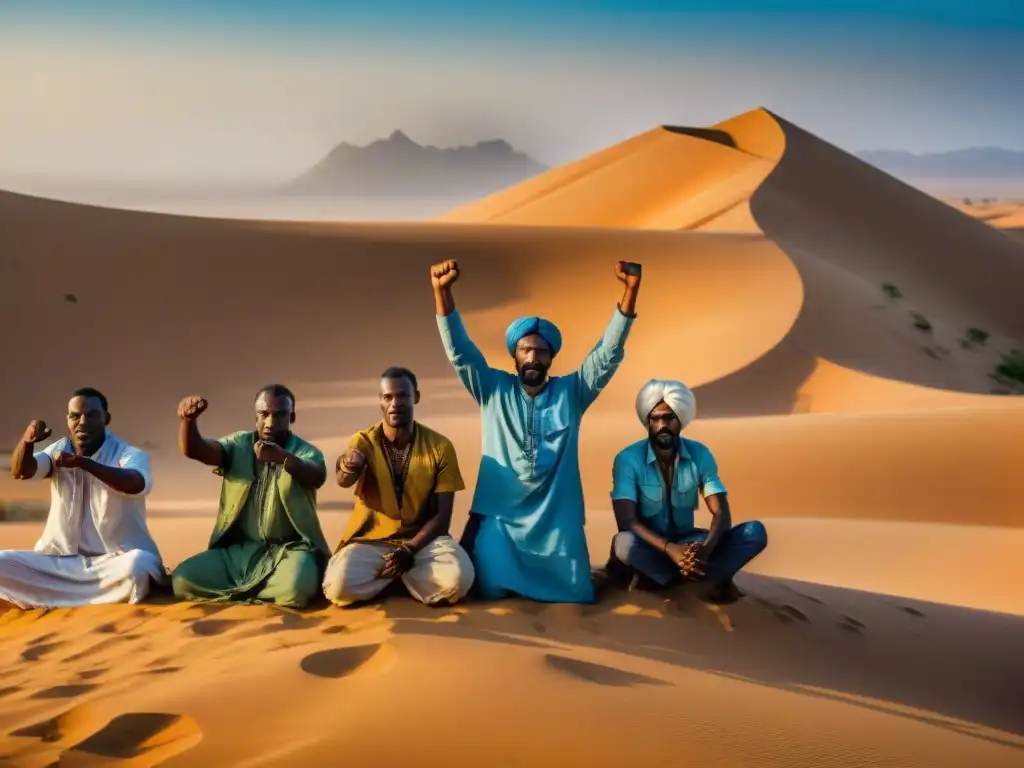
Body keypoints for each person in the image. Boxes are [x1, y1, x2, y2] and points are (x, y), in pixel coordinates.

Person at [432, 258, 641, 603]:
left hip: (555, 520)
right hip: (503, 519)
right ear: (514, 354)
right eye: (525, 349)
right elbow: (460, 353)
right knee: (490, 590)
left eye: (541, 351)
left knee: (577, 595)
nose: (533, 357)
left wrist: (629, 293)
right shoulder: (492, 389)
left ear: (550, 358)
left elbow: (608, 354)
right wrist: (442, 294)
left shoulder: (572, 393)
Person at [322, 367, 475, 607]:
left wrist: (409, 550)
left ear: (416, 397)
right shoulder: (364, 441)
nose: (395, 403)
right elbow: (344, 478)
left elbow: (443, 516)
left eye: (402, 396)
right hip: (371, 542)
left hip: (423, 543)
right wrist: (349, 465)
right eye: (388, 397)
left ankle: (390, 579)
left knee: (459, 579)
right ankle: (404, 580)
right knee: (338, 587)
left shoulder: (440, 446)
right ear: (380, 401)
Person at [1, 388, 165, 609]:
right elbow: (22, 471)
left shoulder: (129, 454)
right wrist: (28, 441)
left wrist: (83, 463)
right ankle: (82, 597)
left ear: (106, 419)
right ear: (67, 419)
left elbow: (134, 483)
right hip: (60, 562)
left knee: (138, 566)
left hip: (113, 562)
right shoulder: (58, 450)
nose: (83, 422)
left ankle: (54, 598)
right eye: (75, 415)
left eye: (92, 415)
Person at [607, 379, 768, 603]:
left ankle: (687, 580)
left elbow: (721, 513)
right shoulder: (628, 459)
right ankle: (689, 583)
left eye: (669, 417)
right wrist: (671, 550)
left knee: (754, 532)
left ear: (680, 419)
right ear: (648, 422)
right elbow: (628, 522)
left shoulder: (700, 454)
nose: (662, 425)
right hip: (653, 548)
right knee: (625, 543)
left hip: (689, 543)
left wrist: (704, 551)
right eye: (655, 419)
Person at [170, 385, 331, 609]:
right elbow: (197, 450)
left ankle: (243, 592)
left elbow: (315, 475)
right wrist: (188, 421)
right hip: (239, 554)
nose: (270, 423)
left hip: (288, 552)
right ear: (255, 416)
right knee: (182, 580)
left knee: (297, 587)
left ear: (292, 417)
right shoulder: (239, 445)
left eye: (280, 415)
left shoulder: (305, 451)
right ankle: (260, 592)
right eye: (264, 414)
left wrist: (282, 458)